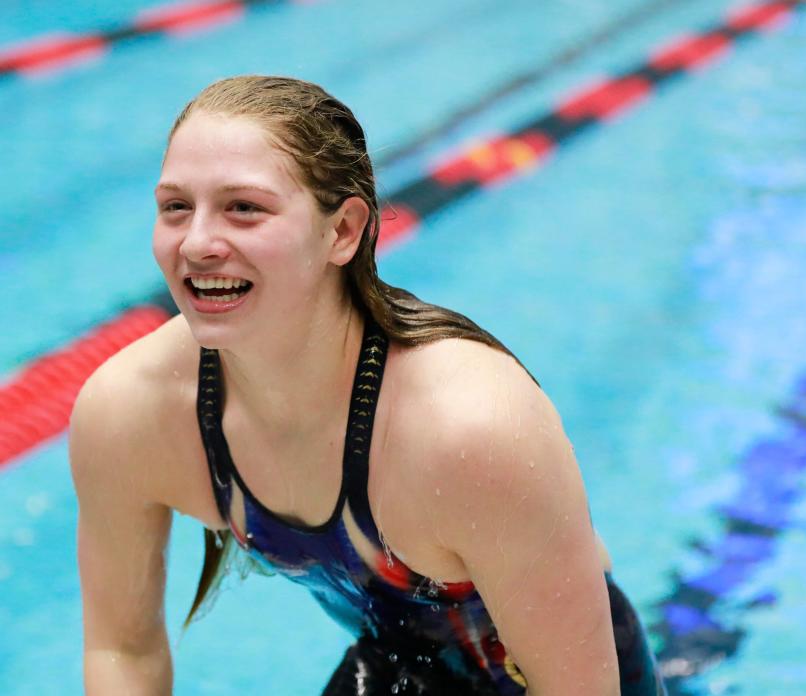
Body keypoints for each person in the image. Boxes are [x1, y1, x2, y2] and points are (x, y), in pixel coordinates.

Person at [69, 75, 666, 695]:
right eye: (175, 207)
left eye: (244, 207)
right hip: (399, 669)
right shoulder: (132, 412)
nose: (196, 243)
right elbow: (122, 651)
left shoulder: (467, 429)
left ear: (343, 231)